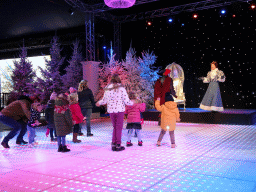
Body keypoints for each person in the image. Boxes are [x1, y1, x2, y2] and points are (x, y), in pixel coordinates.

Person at [96, 74, 133, 151]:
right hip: (119, 110)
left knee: (115, 127)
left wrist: (99, 102)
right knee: (118, 127)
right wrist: (133, 103)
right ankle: (118, 145)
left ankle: (113, 144)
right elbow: (126, 101)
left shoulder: (108, 89)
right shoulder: (122, 89)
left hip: (111, 111)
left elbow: (104, 100)